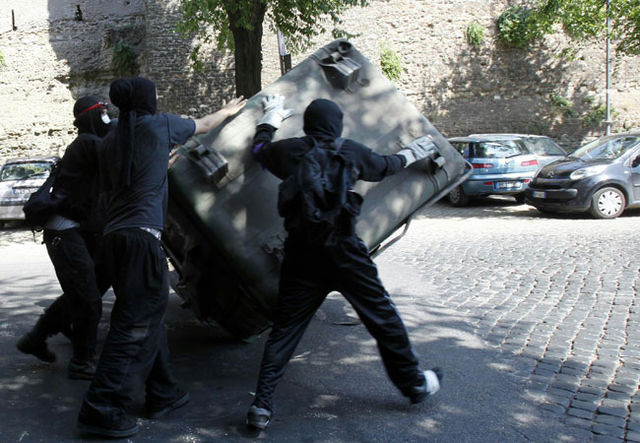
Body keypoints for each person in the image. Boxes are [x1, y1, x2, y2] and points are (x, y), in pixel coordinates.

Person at [246, 96, 443, 430]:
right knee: (383, 318)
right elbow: (385, 167)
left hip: (301, 254)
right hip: (345, 252)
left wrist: (270, 119)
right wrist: (414, 152)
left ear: (308, 123)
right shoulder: (350, 151)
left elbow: (258, 151)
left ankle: (261, 406)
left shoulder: (289, 151)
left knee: (285, 332)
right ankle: (414, 385)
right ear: (336, 125)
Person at [76, 77, 246, 439]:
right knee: (134, 324)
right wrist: (229, 110)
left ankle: (162, 391)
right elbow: (205, 124)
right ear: (146, 101)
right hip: (141, 240)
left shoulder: (112, 141)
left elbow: (125, 183)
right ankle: (100, 407)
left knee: (147, 315)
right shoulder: (159, 126)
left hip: (115, 239)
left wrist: (159, 167)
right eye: (154, 94)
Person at [16, 96, 113, 380]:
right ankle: (82, 362)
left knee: (90, 287)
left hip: (77, 230)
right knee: (88, 298)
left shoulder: (90, 143)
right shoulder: (87, 143)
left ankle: (37, 337)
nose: (106, 117)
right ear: (90, 118)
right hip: (64, 231)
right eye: (102, 113)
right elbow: (119, 157)